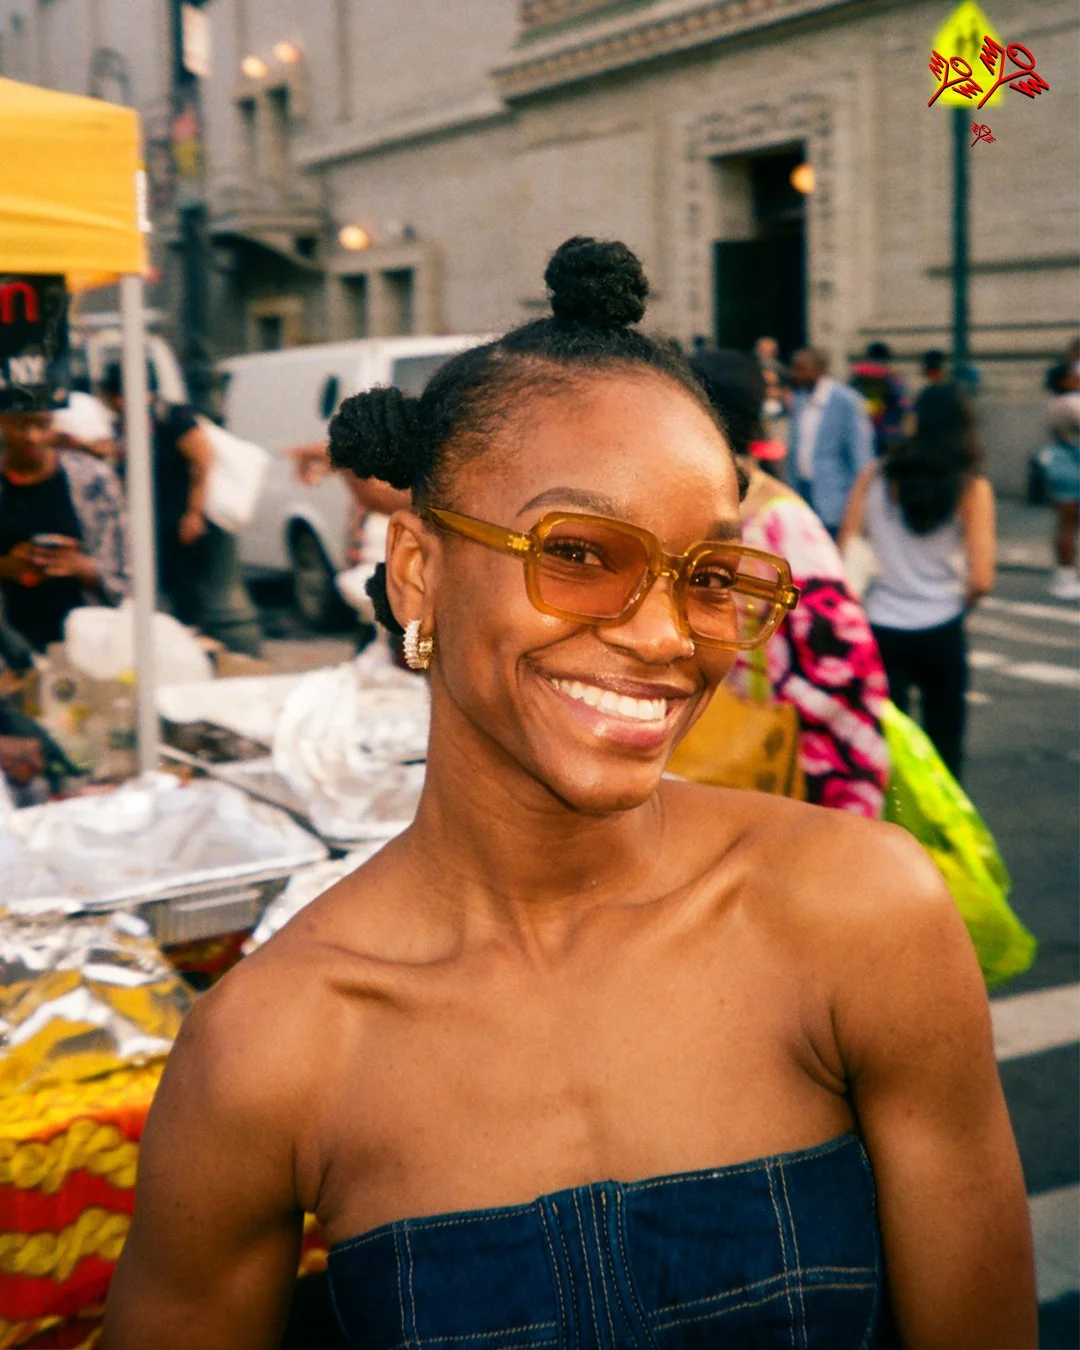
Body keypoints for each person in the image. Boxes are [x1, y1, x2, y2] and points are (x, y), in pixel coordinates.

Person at [103, 238, 1035, 1350]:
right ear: (418, 570)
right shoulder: (271, 1047)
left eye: (708, 576)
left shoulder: (861, 913)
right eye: (580, 553)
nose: (664, 637)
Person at [690, 348, 890, 817]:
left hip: (701, 763)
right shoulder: (783, 521)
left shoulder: (657, 510)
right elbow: (846, 669)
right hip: (750, 771)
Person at [840, 385, 995, 781]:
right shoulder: (971, 488)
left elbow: (847, 549)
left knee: (887, 744)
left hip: (881, 626)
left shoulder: (875, 475)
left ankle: (889, 828)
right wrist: (960, 602)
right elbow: (981, 577)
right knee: (944, 745)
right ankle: (939, 837)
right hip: (942, 625)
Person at [100, 363, 263, 654]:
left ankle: (193, 644)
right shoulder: (127, 423)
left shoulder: (172, 416)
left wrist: (194, 513)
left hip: (177, 518)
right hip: (148, 520)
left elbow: (202, 460)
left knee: (186, 589)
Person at [0, 411, 129, 651]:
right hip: (10, 645)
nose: (33, 437)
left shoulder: (93, 479)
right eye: (20, 426)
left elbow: (128, 575)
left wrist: (81, 567)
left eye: (42, 425)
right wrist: (6, 567)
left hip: (90, 643)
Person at [788, 346, 874, 535]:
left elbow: (861, 457)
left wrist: (858, 507)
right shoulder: (799, 400)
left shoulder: (847, 402)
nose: (794, 374)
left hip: (835, 503)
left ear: (820, 369)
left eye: (801, 368)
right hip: (802, 496)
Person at [1043, 362, 1080, 600]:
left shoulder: (1053, 403)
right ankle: (1066, 578)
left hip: (1060, 463)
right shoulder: (1071, 404)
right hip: (1073, 466)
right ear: (1064, 381)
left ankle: (1064, 575)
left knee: (1065, 524)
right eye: (1072, 375)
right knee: (1068, 525)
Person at [848, 341, 911, 457]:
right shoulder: (893, 379)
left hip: (861, 432)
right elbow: (904, 405)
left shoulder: (857, 378)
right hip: (887, 432)